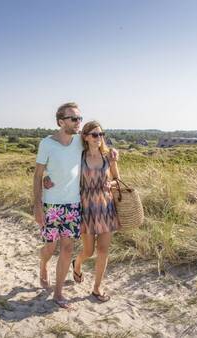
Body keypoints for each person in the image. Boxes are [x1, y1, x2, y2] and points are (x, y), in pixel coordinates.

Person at [33, 102, 83, 309]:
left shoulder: (81, 140)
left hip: (73, 205)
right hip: (51, 205)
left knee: (68, 248)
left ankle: (58, 292)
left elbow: (100, 148)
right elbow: (37, 176)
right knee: (50, 247)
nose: (78, 122)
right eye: (74, 119)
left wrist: (113, 156)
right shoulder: (47, 144)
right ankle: (43, 265)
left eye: (80, 118)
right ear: (61, 121)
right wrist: (37, 206)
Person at [71, 121, 121, 302]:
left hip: (106, 207)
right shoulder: (79, 157)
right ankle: (76, 264)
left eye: (101, 134)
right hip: (86, 208)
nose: (98, 138)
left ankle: (97, 288)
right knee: (89, 251)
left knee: (103, 250)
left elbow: (118, 180)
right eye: (94, 134)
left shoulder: (109, 157)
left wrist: (111, 183)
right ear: (85, 137)